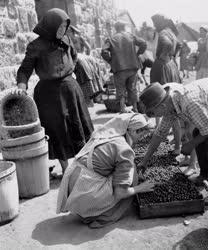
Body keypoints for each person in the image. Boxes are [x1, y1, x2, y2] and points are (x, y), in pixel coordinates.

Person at [16, 8, 94, 174]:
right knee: (58, 131)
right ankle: (66, 169)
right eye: (59, 27)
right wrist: (22, 86)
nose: (62, 31)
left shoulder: (66, 39)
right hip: (48, 95)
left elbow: (74, 56)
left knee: (78, 125)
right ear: (50, 27)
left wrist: (70, 69)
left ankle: (85, 164)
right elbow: (24, 69)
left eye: (64, 27)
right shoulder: (35, 46)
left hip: (70, 90)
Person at [138, 75, 208, 184]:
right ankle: (206, 176)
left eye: (151, 113)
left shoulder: (188, 102)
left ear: (162, 107)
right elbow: (159, 134)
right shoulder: (168, 106)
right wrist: (144, 161)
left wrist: (190, 145)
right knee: (198, 134)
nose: (152, 116)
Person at [57, 113, 154, 228]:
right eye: (142, 134)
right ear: (133, 131)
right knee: (131, 176)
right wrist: (141, 188)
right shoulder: (125, 150)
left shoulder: (105, 134)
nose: (142, 139)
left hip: (73, 185)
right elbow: (120, 193)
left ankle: (86, 209)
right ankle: (99, 215)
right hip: (86, 191)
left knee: (124, 173)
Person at [101, 20, 147, 113]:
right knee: (133, 88)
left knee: (120, 90)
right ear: (124, 27)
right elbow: (143, 44)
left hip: (119, 69)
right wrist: (137, 54)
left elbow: (103, 52)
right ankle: (135, 108)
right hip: (132, 67)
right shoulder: (131, 36)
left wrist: (111, 61)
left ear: (115, 28)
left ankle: (122, 108)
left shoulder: (111, 39)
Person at [150, 14, 181, 85]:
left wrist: (163, 56)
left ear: (160, 22)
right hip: (170, 64)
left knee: (160, 90)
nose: (154, 25)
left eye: (155, 23)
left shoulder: (163, 32)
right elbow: (179, 45)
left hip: (162, 65)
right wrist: (173, 57)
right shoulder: (170, 32)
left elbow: (167, 44)